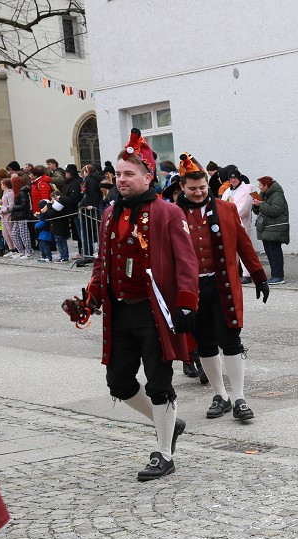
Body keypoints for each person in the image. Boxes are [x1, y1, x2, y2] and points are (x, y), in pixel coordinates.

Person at [80, 132, 199, 481]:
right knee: (118, 382)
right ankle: (169, 423)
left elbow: (187, 263)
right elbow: (103, 262)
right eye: (118, 174)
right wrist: (91, 297)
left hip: (155, 312)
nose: (121, 179)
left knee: (159, 383)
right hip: (120, 312)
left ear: (148, 177)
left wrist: (187, 304)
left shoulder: (167, 211)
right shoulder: (108, 215)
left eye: (128, 174)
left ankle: (164, 453)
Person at [177, 154, 270, 421]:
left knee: (231, 340)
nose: (198, 193)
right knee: (204, 344)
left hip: (223, 285)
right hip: (192, 288)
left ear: (208, 184)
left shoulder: (227, 209)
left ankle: (240, 397)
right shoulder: (173, 214)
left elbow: (244, 245)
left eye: (202, 188)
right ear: (183, 187)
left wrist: (259, 275)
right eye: (192, 189)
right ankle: (221, 395)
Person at [251, 176, 289, 284]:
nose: (259, 187)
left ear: (266, 185)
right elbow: (259, 211)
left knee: (275, 252)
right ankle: (274, 275)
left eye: (260, 185)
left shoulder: (277, 194)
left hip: (275, 228)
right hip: (267, 228)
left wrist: (261, 204)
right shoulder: (264, 194)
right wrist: (256, 205)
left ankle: (279, 276)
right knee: (269, 252)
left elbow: (275, 210)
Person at [9, 174, 32, 258]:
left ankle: (28, 251)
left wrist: (12, 208)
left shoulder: (22, 192)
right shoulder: (18, 192)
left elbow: (24, 205)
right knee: (14, 234)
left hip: (22, 216)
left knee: (24, 234)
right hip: (17, 216)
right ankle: (21, 251)